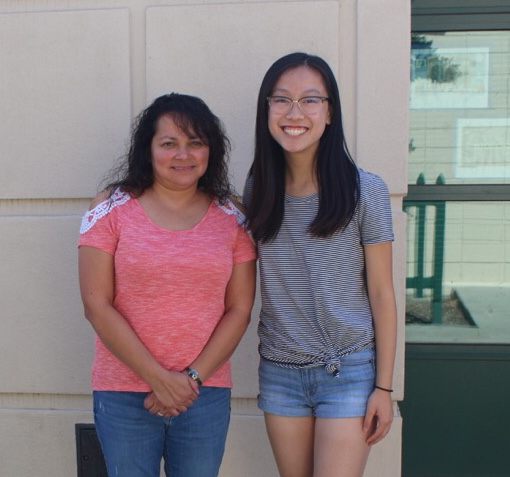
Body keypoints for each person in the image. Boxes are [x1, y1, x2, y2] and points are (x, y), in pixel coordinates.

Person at [78, 93, 257, 477]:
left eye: (196, 142)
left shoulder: (232, 216)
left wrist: (189, 380)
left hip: (203, 394)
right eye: (169, 143)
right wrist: (160, 380)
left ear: (211, 150)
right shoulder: (109, 208)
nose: (184, 154)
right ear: (148, 148)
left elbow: (239, 309)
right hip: (125, 393)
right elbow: (96, 305)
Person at [243, 52, 397, 477]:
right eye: (282, 100)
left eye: (310, 100)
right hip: (280, 371)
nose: (295, 113)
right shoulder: (258, 188)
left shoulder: (364, 190)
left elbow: (382, 293)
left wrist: (384, 387)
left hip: (347, 369)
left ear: (329, 113)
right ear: (267, 109)